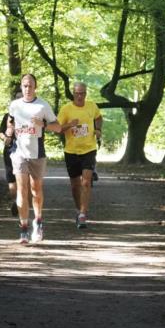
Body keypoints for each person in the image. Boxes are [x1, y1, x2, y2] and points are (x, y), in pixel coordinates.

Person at [8, 74, 63, 244]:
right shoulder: (15, 105)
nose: (27, 89)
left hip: (37, 153)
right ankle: (23, 228)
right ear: (21, 87)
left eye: (30, 86)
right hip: (19, 153)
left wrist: (43, 124)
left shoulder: (43, 105)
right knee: (21, 189)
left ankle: (38, 221)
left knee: (36, 190)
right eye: (25, 86)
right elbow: (10, 122)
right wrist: (10, 131)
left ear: (35, 87)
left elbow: (58, 127)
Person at [57, 81, 103, 229]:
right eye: (77, 93)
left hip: (89, 149)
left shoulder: (92, 106)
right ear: (73, 93)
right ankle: (78, 210)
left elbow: (98, 118)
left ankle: (83, 214)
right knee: (75, 185)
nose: (80, 96)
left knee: (86, 182)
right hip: (71, 151)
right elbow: (57, 128)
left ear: (86, 93)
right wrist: (70, 125)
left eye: (82, 93)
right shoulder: (66, 109)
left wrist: (98, 130)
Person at [0, 88, 24, 218]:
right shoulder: (7, 116)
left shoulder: (32, 115)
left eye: (22, 97)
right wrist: (5, 138)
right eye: (17, 98)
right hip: (10, 150)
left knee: (24, 180)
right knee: (12, 181)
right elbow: (0, 132)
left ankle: (22, 203)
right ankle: (16, 201)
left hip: (26, 151)